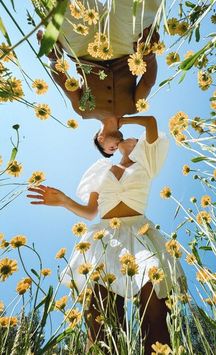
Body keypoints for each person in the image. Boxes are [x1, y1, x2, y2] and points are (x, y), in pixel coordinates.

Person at [27, 115, 185, 354]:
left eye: (112, 141)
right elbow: (91, 212)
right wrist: (63, 201)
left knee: (154, 296)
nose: (111, 145)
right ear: (106, 149)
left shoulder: (147, 159)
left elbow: (152, 122)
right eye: (105, 146)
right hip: (104, 237)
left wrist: (122, 119)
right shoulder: (100, 171)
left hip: (140, 232)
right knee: (101, 315)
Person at [0, 0, 162, 156]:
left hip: (83, 49)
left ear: (100, 138)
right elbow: (148, 81)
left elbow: (66, 83)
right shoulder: (133, 108)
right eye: (114, 152)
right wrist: (148, 52)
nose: (114, 150)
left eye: (108, 150)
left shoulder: (84, 111)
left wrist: (54, 59)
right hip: (126, 47)